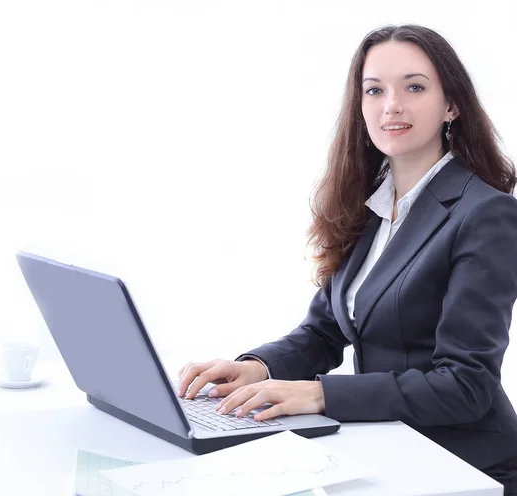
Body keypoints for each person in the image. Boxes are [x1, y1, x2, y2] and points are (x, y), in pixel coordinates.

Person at [176, 24, 517, 494]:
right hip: (388, 446)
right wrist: (257, 368)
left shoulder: (486, 215)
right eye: (374, 90)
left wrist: (318, 394)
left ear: (451, 105)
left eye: (414, 87)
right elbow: (325, 330)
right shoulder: (371, 207)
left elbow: (465, 385)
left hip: (465, 465)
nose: (390, 104)